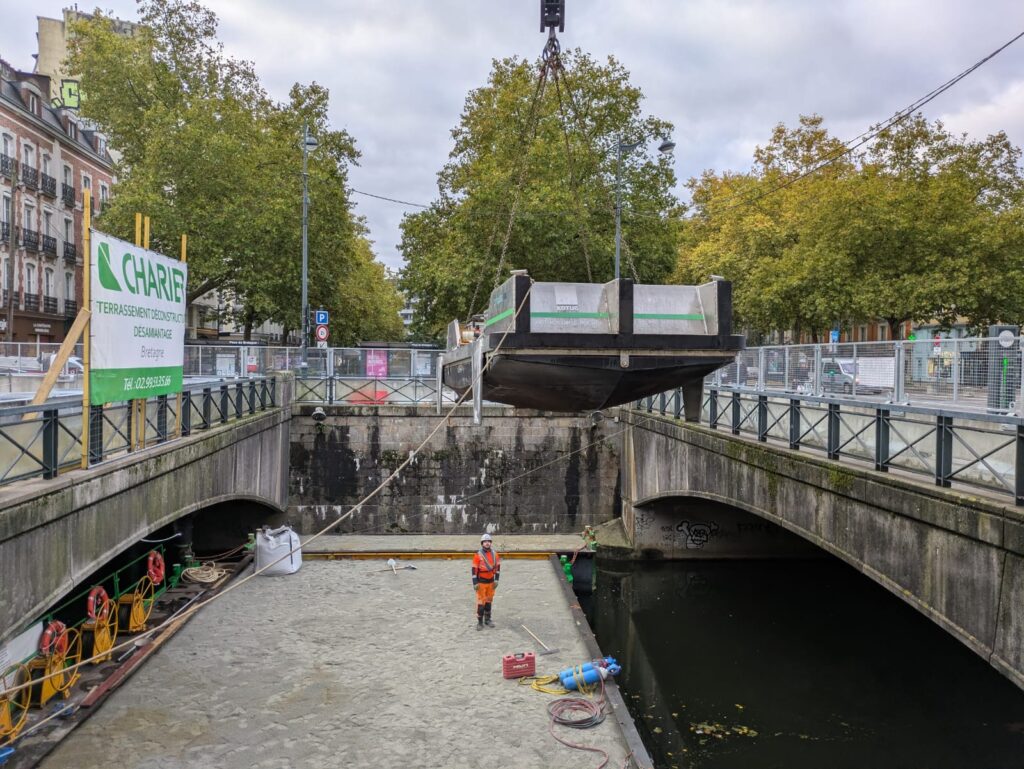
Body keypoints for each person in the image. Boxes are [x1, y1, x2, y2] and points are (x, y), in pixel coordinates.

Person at [471, 533, 501, 631]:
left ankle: (488, 619)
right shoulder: (478, 555)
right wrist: (475, 582)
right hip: (481, 583)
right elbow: (474, 569)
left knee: (489, 601)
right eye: (485, 542)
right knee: (481, 603)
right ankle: (479, 622)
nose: (487, 543)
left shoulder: (495, 554)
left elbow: (498, 568)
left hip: (491, 582)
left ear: (491, 543)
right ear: (482, 543)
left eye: (489, 541)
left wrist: (496, 579)